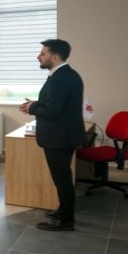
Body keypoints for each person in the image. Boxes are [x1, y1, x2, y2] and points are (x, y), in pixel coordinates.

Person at [20, 39, 86, 232]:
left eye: (43, 54)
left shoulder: (60, 78)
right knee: (63, 177)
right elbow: (55, 104)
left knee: (62, 179)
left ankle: (65, 220)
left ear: (54, 57)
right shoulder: (64, 74)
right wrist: (35, 104)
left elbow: (53, 111)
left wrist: (33, 107)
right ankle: (63, 211)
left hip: (59, 137)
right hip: (62, 135)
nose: (38, 57)